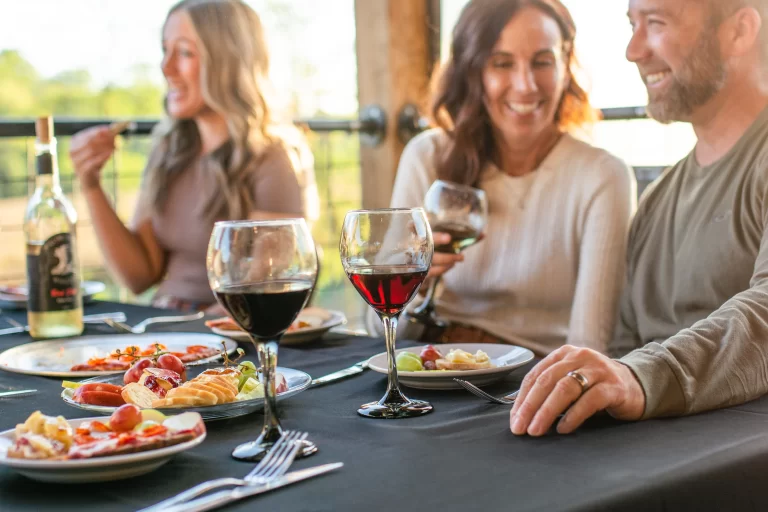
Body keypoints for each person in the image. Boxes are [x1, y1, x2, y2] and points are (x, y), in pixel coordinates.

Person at [510, 0, 768, 437]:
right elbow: (622, 353)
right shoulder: (657, 201)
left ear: (739, 32)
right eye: (632, 25)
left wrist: (640, 377)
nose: (633, 50)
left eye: (656, 22)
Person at [374, 0, 636, 356]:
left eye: (542, 61)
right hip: (437, 370)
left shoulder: (603, 177)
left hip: (535, 384)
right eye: (502, 63)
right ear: (472, 71)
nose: (526, 85)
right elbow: (380, 330)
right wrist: (412, 284)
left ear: (565, 66)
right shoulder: (427, 157)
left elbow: (588, 349)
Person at [69, 0, 319, 312]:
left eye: (185, 52)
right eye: (165, 50)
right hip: (168, 324)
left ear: (228, 61)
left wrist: (184, 334)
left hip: (224, 340)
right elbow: (139, 277)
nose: (166, 67)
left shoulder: (273, 157)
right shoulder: (169, 150)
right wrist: (90, 183)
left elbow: (263, 294)